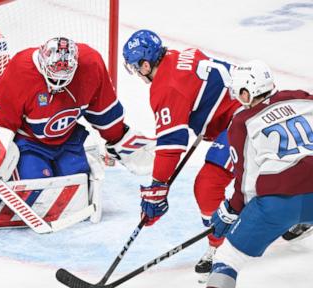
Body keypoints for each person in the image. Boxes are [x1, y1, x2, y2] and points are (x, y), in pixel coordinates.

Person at [0, 37, 155, 235]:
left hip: (68, 138)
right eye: (53, 79)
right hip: (29, 142)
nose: (58, 87)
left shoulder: (91, 64)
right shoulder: (21, 69)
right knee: (38, 183)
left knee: (75, 181)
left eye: (64, 80)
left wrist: (119, 138)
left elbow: (104, 112)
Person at [120, 29, 241, 279]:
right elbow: (205, 93)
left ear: (145, 65)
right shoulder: (178, 56)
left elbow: (171, 144)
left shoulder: (166, 86)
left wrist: (157, 188)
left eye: (134, 67)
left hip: (244, 121)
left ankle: (225, 249)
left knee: (208, 185)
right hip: (244, 110)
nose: (136, 73)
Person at [206, 60, 313, 288]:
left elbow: (247, 184)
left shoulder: (242, 122)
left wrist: (231, 210)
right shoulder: (301, 97)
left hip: (278, 203)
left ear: (246, 92)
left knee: (227, 259)